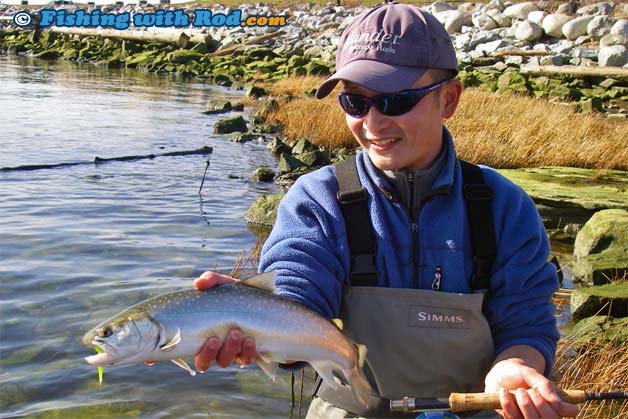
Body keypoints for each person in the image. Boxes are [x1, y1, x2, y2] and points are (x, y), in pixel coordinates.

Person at [193, 3, 580, 419]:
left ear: (448, 99)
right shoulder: (317, 199)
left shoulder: (505, 206)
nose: (373, 124)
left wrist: (515, 367)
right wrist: (251, 316)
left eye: (396, 101)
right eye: (355, 103)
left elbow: (526, 322)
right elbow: (296, 283)